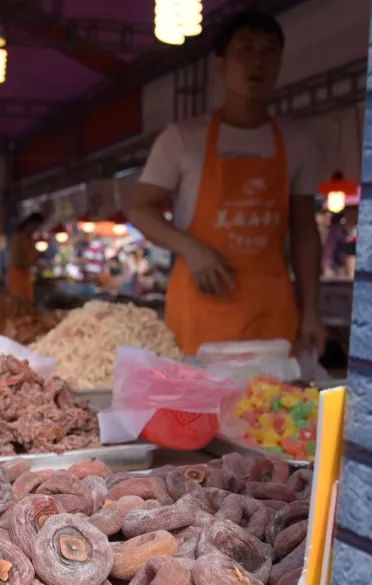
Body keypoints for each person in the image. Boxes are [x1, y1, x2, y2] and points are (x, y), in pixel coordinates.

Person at [129, 10, 326, 357]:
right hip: (201, 303)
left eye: (269, 51)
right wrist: (191, 248)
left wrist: (311, 311)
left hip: (270, 307)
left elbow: (304, 229)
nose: (257, 62)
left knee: (269, 406)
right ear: (220, 66)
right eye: (245, 50)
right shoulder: (183, 138)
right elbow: (141, 209)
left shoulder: (298, 142)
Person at [7, 212, 44, 303]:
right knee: (19, 302)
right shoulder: (19, 238)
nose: (36, 229)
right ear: (29, 224)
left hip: (26, 275)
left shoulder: (30, 239)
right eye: (35, 226)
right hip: (17, 275)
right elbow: (16, 260)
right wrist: (32, 263)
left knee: (28, 302)